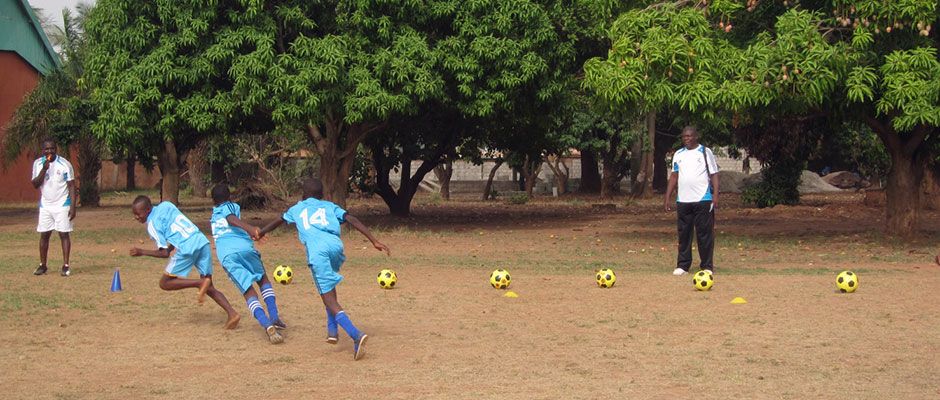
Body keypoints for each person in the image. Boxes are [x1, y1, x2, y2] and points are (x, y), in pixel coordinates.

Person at [258, 178, 390, 360]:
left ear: (303, 195)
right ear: (322, 195)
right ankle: (332, 330)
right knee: (328, 288)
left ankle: (355, 335)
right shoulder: (329, 205)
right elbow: (351, 218)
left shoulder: (297, 208)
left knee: (327, 297)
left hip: (318, 251)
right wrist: (374, 240)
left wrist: (260, 232)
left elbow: (278, 221)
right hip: (336, 247)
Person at [129, 195, 240, 329]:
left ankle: (199, 283)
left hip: (187, 247)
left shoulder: (152, 224)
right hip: (201, 240)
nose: (136, 217)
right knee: (209, 286)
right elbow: (175, 229)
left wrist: (141, 252)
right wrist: (171, 247)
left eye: (138, 214)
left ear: (147, 210)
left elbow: (163, 253)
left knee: (165, 283)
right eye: (134, 214)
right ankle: (232, 314)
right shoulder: (166, 205)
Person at [209, 184, 285, 344]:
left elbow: (229, 226)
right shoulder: (230, 206)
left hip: (227, 256)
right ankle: (275, 317)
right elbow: (231, 218)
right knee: (263, 279)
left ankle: (267, 325)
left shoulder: (214, 214)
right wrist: (251, 229)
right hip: (244, 248)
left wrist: (247, 232)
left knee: (248, 291)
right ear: (229, 196)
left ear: (213, 201)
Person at [663, 126, 720, 276]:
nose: (686, 139)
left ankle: (707, 266)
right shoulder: (678, 154)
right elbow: (674, 176)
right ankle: (683, 265)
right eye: (684, 137)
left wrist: (715, 196)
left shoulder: (705, 152)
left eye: (689, 136)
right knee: (684, 234)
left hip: (703, 199)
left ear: (696, 137)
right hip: (683, 200)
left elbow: (714, 174)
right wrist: (667, 197)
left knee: (704, 234)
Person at [31, 139, 76, 276]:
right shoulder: (38, 164)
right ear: (43, 150)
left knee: (63, 234)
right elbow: (35, 184)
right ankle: (43, 265)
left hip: (62, 204)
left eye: (52, 149)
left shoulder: (65, 164)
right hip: (46, 205)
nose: (49, 151)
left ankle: (66, 266)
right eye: (46, 149)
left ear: (56, 149)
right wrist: (44, 170)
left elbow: (72, 186)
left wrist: (73, 207)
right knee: (44, 235)